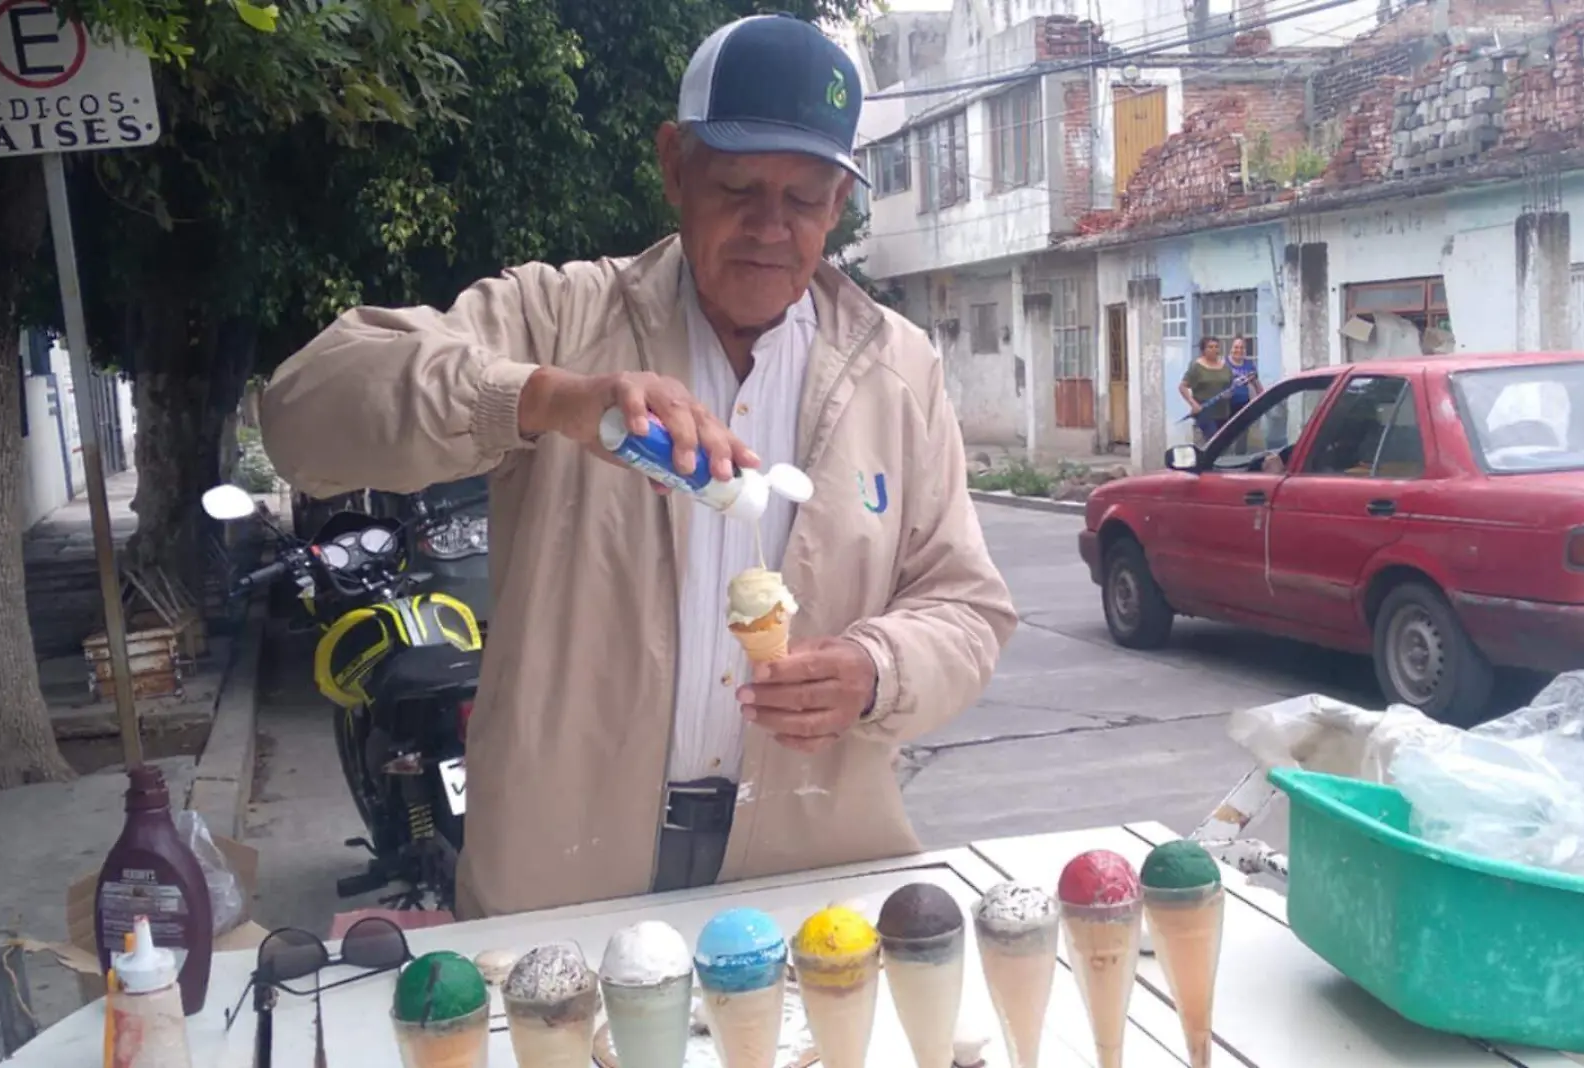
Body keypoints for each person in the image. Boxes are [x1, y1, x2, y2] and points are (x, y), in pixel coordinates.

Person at [258, 14, 1016, 919]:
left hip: (811, 865)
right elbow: (304, 413)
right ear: (673, 164)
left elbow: (966, 606)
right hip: (565, 868)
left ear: (841, 203)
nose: (771, 228)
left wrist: (876, 668)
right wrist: (541, 399)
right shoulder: (561, 319)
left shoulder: (898, 370)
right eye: (737, 185)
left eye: (807, 199)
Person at [1180, 337, 1233, 444]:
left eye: (1216, 347)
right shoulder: (1197, 367)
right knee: (1213, 442)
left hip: (1223, 413)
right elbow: (1182, 387)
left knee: (1223, 445)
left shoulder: (1225, 367)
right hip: (1205, 413)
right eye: (1210, 347)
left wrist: (1229, 394)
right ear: (1203, 350)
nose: (1214, 350)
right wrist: (1193, 404)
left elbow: (1230, 386)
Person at [1226, 336, 1262, 411]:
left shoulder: (1250, 365)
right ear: (1231, 348)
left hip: (1244, 406)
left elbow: (1258, 387)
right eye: (1236, 347)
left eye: (1242, 348)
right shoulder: (1223, 364)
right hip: (1227, 406)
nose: (1239, 350)